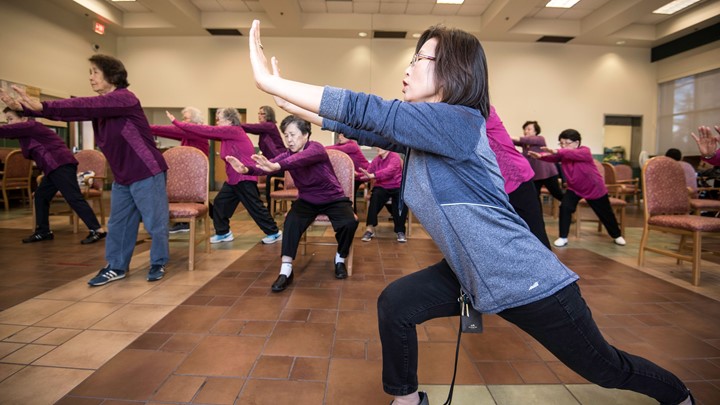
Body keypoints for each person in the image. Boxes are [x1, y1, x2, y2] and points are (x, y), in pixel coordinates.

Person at [245, 20, 693, 405]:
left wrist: (271, 83)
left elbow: (374, 111)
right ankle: (407, 397)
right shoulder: (428, 133)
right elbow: (368, 124)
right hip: (470, 272)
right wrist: (292, 104)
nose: (407, 68)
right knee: (397, 304)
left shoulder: (459, 122)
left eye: (418, 59)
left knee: (604, 369)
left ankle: (680, 395)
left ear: (452, 70)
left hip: (524, 278)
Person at [1, 54, 170, 286]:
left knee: (154, 222)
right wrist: (31, 110)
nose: (90, 78)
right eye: (89, 72)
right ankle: (117, 266)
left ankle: (158, 262)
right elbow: (79, 111)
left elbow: (84, 105)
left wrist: (42, 106)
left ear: (112, 75)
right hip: (123, 175)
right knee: (118, 224)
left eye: (95, 72)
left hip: (147, 170)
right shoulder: (102, 107)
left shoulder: (124, 99)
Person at [226, 115, 358, 292]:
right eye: (286, 135)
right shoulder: (287, 155)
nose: (289, 139)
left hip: (333, 198)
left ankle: (340, 258)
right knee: (290, 223)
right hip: (307, 200)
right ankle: (286, 270)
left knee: (349, 222)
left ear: (306, 135)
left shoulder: (316, 148)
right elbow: (270, 164)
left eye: (293, 134)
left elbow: (295, 161)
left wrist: (278, 166)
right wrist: (246, 169)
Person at [165, 108, 282, 245]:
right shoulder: (226, 134)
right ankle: (223, 233)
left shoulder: (232, 130)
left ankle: (274, 233)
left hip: (243, 177)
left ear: (229, 120)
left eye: (219, 118)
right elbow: (203, 131)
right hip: (233, 179)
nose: (217, 121)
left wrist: (176, 122)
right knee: (220, 204)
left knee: (255, 207)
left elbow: (205, 130)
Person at [0, 107, 107, 244]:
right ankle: (43, 231)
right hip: (53, 168)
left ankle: (97, 230)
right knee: (40, 196)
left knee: (73, 197)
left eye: (10, 119)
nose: (8, 123)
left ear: (24, 119)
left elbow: (4, 131)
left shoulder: (31, 126)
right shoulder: (25, 132)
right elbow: (9, 133)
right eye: (7, 120)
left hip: (60, 165)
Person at [528, 129, 625, 248]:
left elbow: (566, 154)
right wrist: (540, 156)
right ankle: (563, 237)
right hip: (575, 189)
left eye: (566, 143)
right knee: (565, 208)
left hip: (594, 188)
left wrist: (556, 151)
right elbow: (553, 157)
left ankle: (617, 235)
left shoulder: (584, 151)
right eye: (561, 143)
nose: (563, 146)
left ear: (576, 143)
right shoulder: (564, 154)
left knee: (605, 213)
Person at [150, 106, 210, 234]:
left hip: (194, 171)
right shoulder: (189, 133)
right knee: (197, 198)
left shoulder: (195, 131)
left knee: (192, 196)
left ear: (194, 120)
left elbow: (171, 130)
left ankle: (184, 223)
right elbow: (170, 133)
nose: (182, 121)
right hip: (190, 171)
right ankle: (212, 220)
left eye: (185, 118)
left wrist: (147, 128)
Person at [359, 147, 407, 243]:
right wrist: (359, 175)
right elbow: (368, 173)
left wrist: (373, 175)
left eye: (381, 145)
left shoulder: (395, 157)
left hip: (396, 186)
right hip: (382, 186)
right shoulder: (376, 160)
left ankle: (400, 231)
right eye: (377, 146)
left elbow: (389, 171)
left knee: (401, 200)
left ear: (388, 147)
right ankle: (369, 229)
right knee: (375, 197)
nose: (378, 148)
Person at [241, 105, 286, 206]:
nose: (259, 116)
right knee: (271, 187)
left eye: (263, 114)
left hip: (279, 161)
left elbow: (251, 127)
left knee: (280, 185)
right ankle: (271, 209)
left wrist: (236, 125)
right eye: (259, 113)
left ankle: (271, 209)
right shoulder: (264, 130)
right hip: (273, 162)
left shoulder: (269, 126)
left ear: (269, 116)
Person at [514, 120, 565, 204]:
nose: (526, 131)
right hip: (535, 175)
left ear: (535, 131)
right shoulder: (524, 143)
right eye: (525, 129)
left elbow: (522, 139)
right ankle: (538, 217)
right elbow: (511, 141)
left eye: (528, 129)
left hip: (548, 174)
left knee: (557, 194)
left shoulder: (540, 139)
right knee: (534, 197)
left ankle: (570, 206)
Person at [326, 132, 370, 205]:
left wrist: (318, 147)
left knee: (350, 192)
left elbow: (335, 149)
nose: (340, 137)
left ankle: (351, 212)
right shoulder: (340, 144)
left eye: (342, 135)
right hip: (353, 176)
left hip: (363, 174)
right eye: (339, 135)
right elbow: (331, 148)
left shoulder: (352, 145)